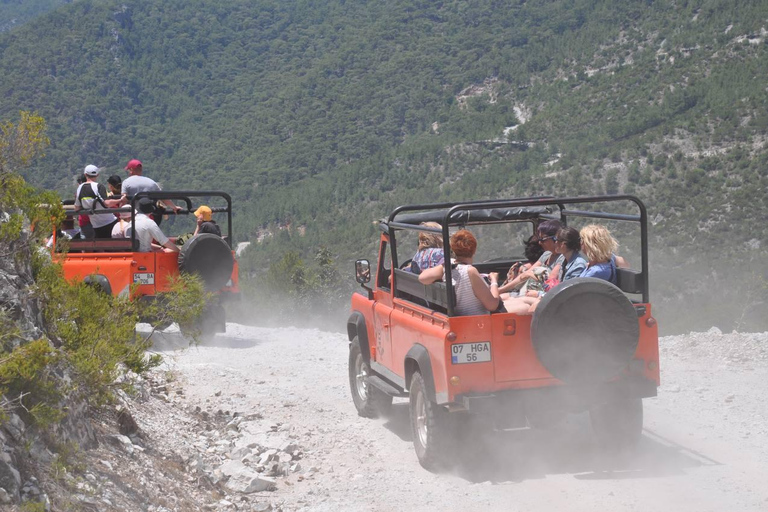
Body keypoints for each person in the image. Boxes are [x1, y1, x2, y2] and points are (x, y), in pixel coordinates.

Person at [419, 229, 502, 315]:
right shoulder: (470, 271)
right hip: (477, 321)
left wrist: (443, 267)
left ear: (453, 249)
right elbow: (492, 305)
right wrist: (494, 281)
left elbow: (422, 278)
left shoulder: (448, 266)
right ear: (474, 249)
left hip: (458, 316)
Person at [498, 219, 563, 294]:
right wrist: (500, 290)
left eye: (543, 240)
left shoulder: (561, 258)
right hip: (527, 291)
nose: (540, 243)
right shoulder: (546, 254)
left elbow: (549, 284)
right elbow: (524, 276)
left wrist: (530, 274)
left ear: (555, 238)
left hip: (538, 294)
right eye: (539, 239)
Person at [107, 159, 181, 223]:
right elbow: (163, 198)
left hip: (134, 218)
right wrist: (174, 207)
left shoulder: (126, 182)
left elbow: (123, 202)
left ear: (131, 170)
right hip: (151, 217)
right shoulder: (152, 182)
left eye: (128, 170)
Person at [74, 165, 117, 239]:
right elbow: (106, 203)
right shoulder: (99, 186)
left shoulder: (79, 189)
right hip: (110, 222)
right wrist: (120, 200)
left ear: (85, 175)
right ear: (97, 175)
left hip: (96, 226)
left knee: (102, 247)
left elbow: (76, 208)